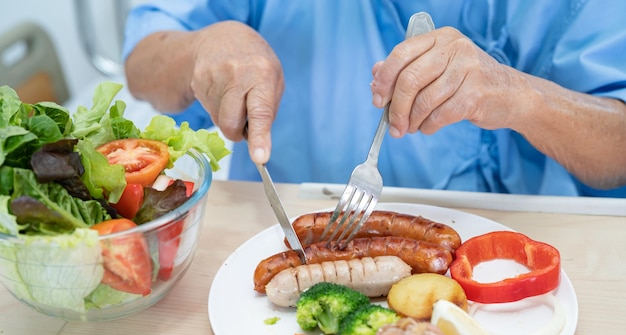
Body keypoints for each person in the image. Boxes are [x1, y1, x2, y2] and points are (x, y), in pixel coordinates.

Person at [122, 0, 626, 197]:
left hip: (521, 261)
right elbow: (143, 63)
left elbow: (617, 148)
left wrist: (521, 97)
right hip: (280, 230)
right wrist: (201, 47)